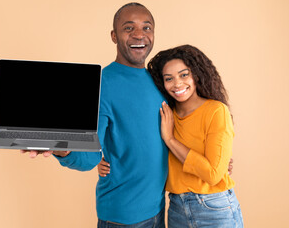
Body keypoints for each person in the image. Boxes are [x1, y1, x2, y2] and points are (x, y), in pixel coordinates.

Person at [23, 3, 168, 227]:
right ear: (114, 35)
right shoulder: (101, 84)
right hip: (123, 217)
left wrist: (211, 155)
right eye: (129, 28)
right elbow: (88, 157)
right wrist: (61, 148)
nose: (139, 34)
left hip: (159, 208)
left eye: (146, 28)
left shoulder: (160, 80)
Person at [99, 45, 243, 227]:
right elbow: (136, 144)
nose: (177, 84)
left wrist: (170, 140)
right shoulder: (165, 113)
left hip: (213, 208)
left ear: (196, 74)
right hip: (176, 207)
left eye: (184, 75)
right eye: (169, 79)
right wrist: (104, 161)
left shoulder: (215, 111)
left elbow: (213, 174)